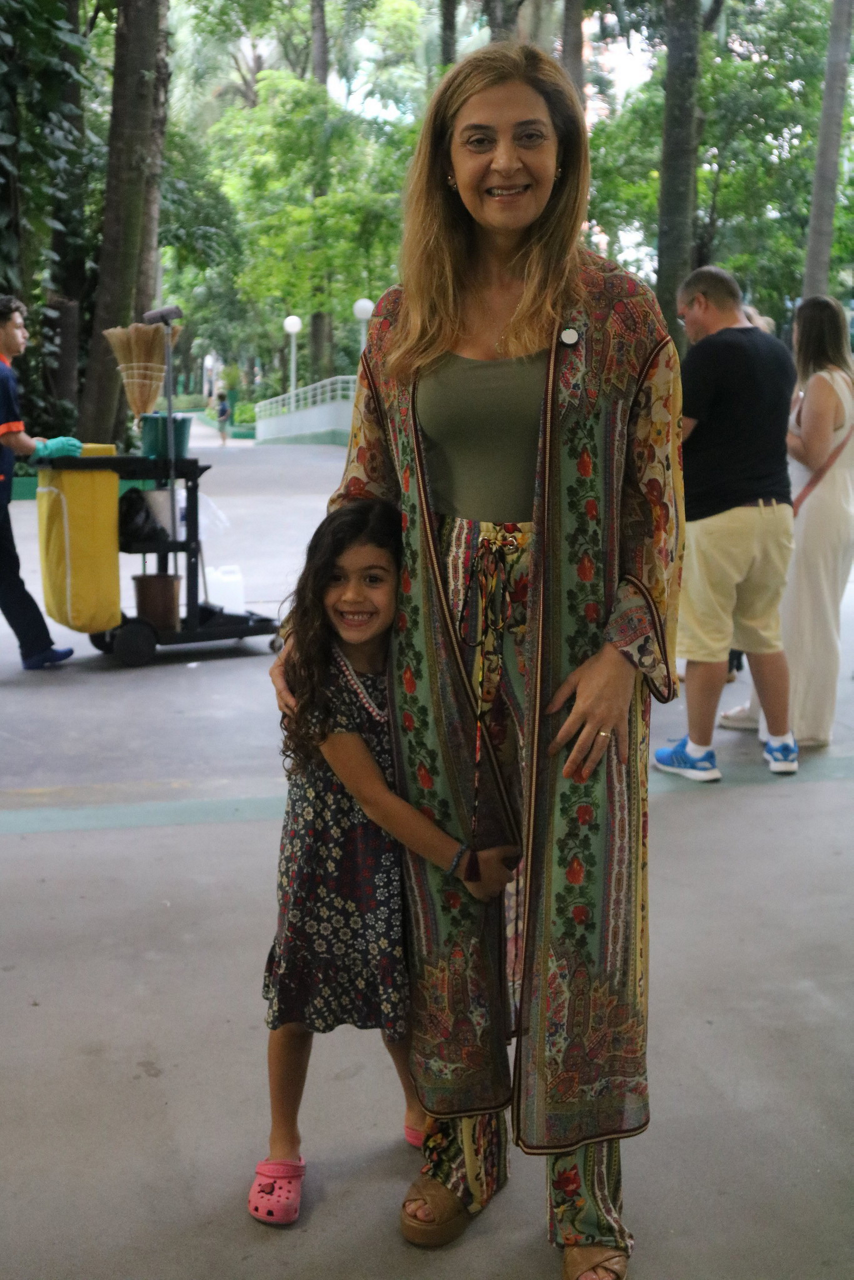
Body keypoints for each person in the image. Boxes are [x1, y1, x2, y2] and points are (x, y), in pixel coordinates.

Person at [272, 44, 683, 1280]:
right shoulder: (402, 316)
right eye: (478, 139)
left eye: (527, 136)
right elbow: (365, 483)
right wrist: (306, 624)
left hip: (576, 667)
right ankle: (461, 1150)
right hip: (432, 660)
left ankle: (585, 1189)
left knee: (578, 917)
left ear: (563, 154)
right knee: (447, 908)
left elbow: (656, 504)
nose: (504, 161)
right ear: (444, 162)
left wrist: (624, 651)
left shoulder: (620, 313)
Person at [249, 499, 517, 1227]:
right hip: (326, 859)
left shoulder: (416, 658)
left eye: (374, 578)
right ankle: (282, 1143)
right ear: (315, 586)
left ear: (404, 584)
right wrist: (464, 863)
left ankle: (418, 1108)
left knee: (397, 988)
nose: (353, 596)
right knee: (298, 1000)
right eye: (336, 578)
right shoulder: (315, 675)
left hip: (397, 861)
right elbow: (370, 797)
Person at [654, 266, 799, 781]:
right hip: (775, 511)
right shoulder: (778, 352)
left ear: (702, 302)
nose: (685, 326)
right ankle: (781, 744)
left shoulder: (710, 354)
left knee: (707, 639)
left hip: (717, 514)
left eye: (684, 315)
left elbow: (677, 433)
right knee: (764, 632)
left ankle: (697, 751)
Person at [720, 295, 854, 747]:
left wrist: (775, 426)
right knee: (794, 614)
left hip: (814, 510)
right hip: (834, 505)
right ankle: (771, 711)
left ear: (806, 331)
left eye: (797, 327)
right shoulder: (843, 381)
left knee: (805, 618)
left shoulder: (823, 384)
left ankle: (804, 722)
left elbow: (813, 454)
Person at [0, 295, 81, 670]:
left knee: (5, 572)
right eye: (18, 326)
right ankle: (36, 647)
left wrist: (35, 444)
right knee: (5, 572)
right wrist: (46, 447)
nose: (25, 334)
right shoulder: (2, 375)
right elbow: (11, 437)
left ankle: (36, 647)